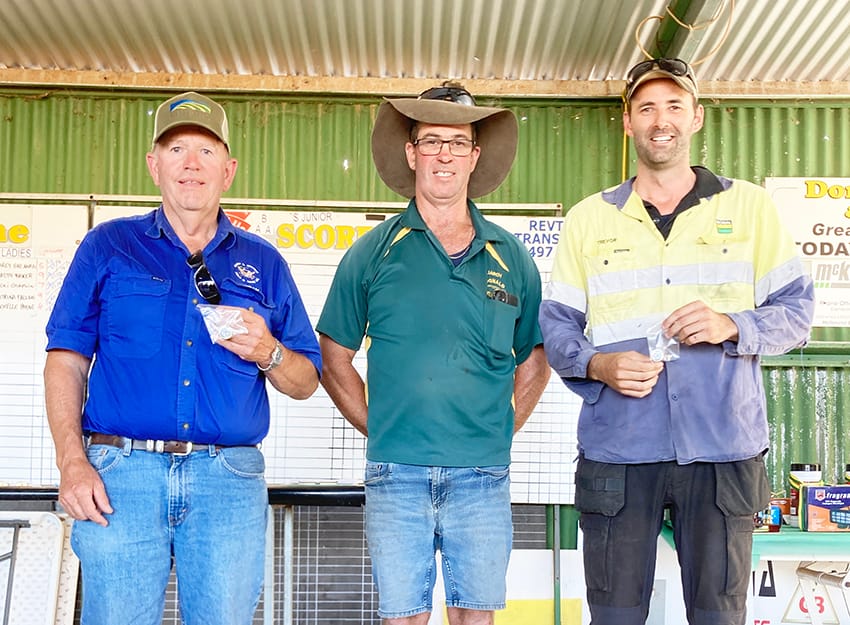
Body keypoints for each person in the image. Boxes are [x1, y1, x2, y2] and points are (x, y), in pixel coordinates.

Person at [539, 58, 815, 625]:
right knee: (614, 617)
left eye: (673, 106)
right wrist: (598, 364)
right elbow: (557, 325)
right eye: (646, 108)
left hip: (721, 449)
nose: (659, 120)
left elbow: (798, 313)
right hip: (620, 450)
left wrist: (734, 324)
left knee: (719, 615)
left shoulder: (750, 209)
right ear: (627, 123)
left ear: (696, 118)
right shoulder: (590, 220)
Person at [43, 91, 322, 625]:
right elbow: (67, 359)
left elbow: (305, 379)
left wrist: (269, 351)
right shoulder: (108, 246)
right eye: (175, 150)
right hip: (120, 474)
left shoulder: (264, 263)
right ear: (154, 165)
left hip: (228, 480)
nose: (191, 163)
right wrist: (71, 461)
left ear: (229, 170)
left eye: (206, 150)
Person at [316, 84, 550, 625]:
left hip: (482, 475)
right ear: (411, 153)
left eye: (456, 142)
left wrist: (497, 428)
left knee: (475, 618)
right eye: (431, 141)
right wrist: (380, 427)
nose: (443, 153)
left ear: (474, 157)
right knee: (404, 618)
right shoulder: (373, 252)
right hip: (396, 473)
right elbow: (334, 356)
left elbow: (533, 359)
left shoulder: (511, 256)